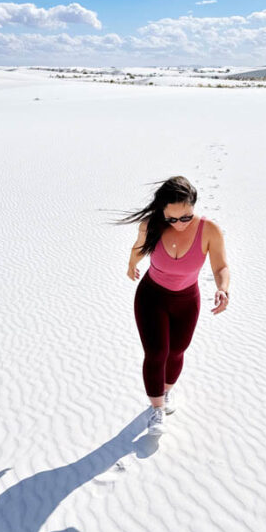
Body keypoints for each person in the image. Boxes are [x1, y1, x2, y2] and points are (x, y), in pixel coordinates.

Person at [111, 175, 230, 436]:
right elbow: (138, 249)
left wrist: (222, 288)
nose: (178, 224)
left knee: (177, 350)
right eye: (171, 219)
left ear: (193, 207)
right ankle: (156, 410)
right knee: (156, 353)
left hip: (187, 299)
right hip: (151, 297)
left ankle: (166, 393)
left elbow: (220, 266)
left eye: (185, 217)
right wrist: (132, 264)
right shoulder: (152, 225)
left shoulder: (209, 230)